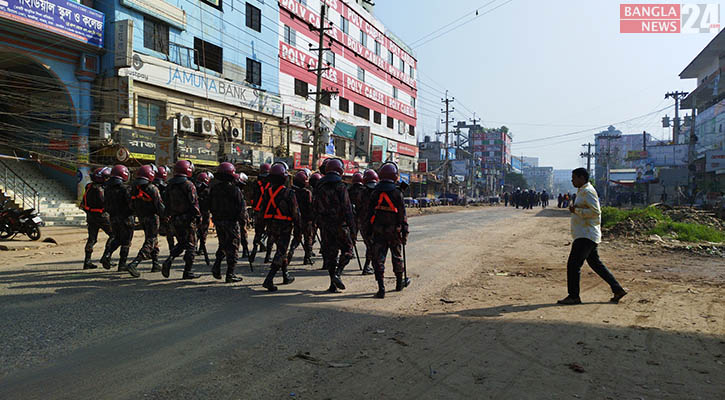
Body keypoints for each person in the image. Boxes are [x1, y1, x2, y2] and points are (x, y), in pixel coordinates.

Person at [558, 168, 627, 305]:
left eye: (574, 178)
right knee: (596, 264)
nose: (572, 180)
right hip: (586, 233)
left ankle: (574, 296)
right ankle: (617, 289)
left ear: (581, 178)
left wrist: (576, 210)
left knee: (573, 265)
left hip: (586, 234)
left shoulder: (588, 191)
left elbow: (595, 212)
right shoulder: (582, 191)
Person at [365, 162, 408, 298]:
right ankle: (399, 284)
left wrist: (368, 231)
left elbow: (369, 214)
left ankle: (381, 288)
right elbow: (403, 216)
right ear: (395, 176)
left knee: (378, 259)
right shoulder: (397, 193)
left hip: (378, 231)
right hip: (394, 231)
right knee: (397, 257)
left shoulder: (375, 193)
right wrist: (404, 233)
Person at [313, 158, 355, 293]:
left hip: (325, 226)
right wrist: (352, 227)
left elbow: (313, 207)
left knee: (331, 255)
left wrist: (317, 223)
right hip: (340, 225)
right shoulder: (341, 186)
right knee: (348, 251)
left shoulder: (318, 187)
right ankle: (338, 273)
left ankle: (332, 284)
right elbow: (347, 208)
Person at [261, 162, 300, 291]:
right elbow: (295, 213)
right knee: (281, 251)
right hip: (284, 227)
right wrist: (299, 229)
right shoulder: (289, 193)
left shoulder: (267, 192)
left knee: (280, 249)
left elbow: (262, 210)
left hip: (271, 226)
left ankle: (285, 275)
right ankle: (269, 279)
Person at [161, 160, 201, 280]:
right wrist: (198, 217)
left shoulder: (169, 185)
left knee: (182, 243)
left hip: (174, 219)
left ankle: (169, 259)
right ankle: (187, 271)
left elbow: (166, 203)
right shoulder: (189, 185)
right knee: (191, 246)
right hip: (187, 219)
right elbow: (194, 203)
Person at [209, 162, 245, 283]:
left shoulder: (214, 189)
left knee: (223, 244)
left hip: (219, 222)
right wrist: (243, 223)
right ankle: (230, 274)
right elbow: (240, 208)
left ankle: (217, 266)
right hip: (231, 222)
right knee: (233, 247)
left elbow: (210, 206)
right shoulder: (235, 190)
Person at [127, 165, 165, 277]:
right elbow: (159, 205)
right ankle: (134, 263)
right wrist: (165, 216)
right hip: (152, 217)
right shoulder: (152, 188)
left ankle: (155, 263)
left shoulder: (133, 188)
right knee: (151, 240)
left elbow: (131, 205)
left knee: (153, 239)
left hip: (142, 217)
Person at [100, 165, 134, 275]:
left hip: (113, 218)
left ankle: (107, 255)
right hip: (126, 218)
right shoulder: (125, 188)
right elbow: (130, 204)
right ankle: (122, 264)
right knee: (126, 242)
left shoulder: (107, 189)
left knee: (117, 239)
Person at [80, 167, 113, 270]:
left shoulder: (88, 186)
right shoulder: (100, 189)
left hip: (90, 215)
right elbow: (105, 203)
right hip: (102, 216)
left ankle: (87, 261)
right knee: (114, 235)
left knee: (92, 239)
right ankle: (106, 257)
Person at [287, 170, 315, 266]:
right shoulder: (307, 193)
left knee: (296, 238)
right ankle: (307, 257)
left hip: (297, 219)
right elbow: (311, 206)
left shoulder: (292, 192)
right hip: (306, 219)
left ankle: (291, 251)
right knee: (308, 239)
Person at [249, 163, 271, 265]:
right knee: (270, 232)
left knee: (258, 231)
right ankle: (267, 257)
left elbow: (252, 197)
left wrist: (254, 208)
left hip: (258, 211)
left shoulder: (255, 183)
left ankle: (253, 253)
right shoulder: (272, 183)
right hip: (269, 211)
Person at [358, 169, 379, 275]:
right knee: (372, 246)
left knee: (370, 245)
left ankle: (370, 265)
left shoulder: (361, 192)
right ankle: (367, 266)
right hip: (373, 223)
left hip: (363, 223)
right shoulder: (377, 192)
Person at [154, 166, 174, 252]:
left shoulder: (151, 185)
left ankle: (153, 252)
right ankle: (172, 249)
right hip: (164, 212)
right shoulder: (165, 187)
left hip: (153, 213)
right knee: (169, 234)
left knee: (152, 236)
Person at [195, 171, 212, 259]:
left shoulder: (193, 188)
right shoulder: (207, 191)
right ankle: (201, 248)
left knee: (195, 231)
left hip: (195, 213)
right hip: (204, 213)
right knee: (203, 231)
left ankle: (195, 247)